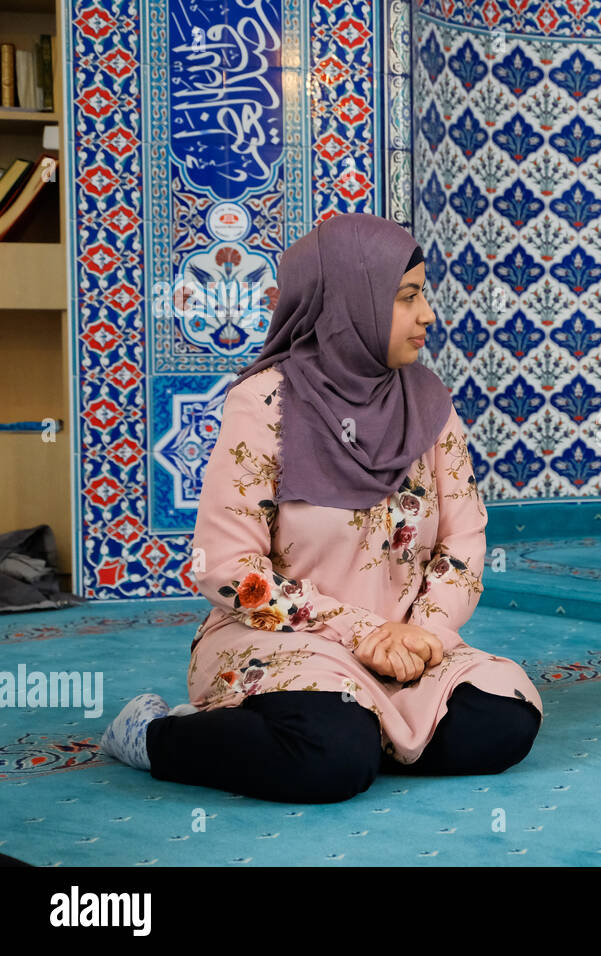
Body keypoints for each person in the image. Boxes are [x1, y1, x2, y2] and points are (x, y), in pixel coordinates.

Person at [99, 213, 543, 802]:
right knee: (331, 760)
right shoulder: (265, 404)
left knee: (503, 722)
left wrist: (426, 634)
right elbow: (226, 566)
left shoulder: (429, 403)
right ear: (349, 300)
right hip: (285, 640)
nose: (427, 316)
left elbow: (463, 538)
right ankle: (156, 734)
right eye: (407, 297)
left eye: (423, 296)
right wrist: (359, 630)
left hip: (403, 645)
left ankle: (354, 726)